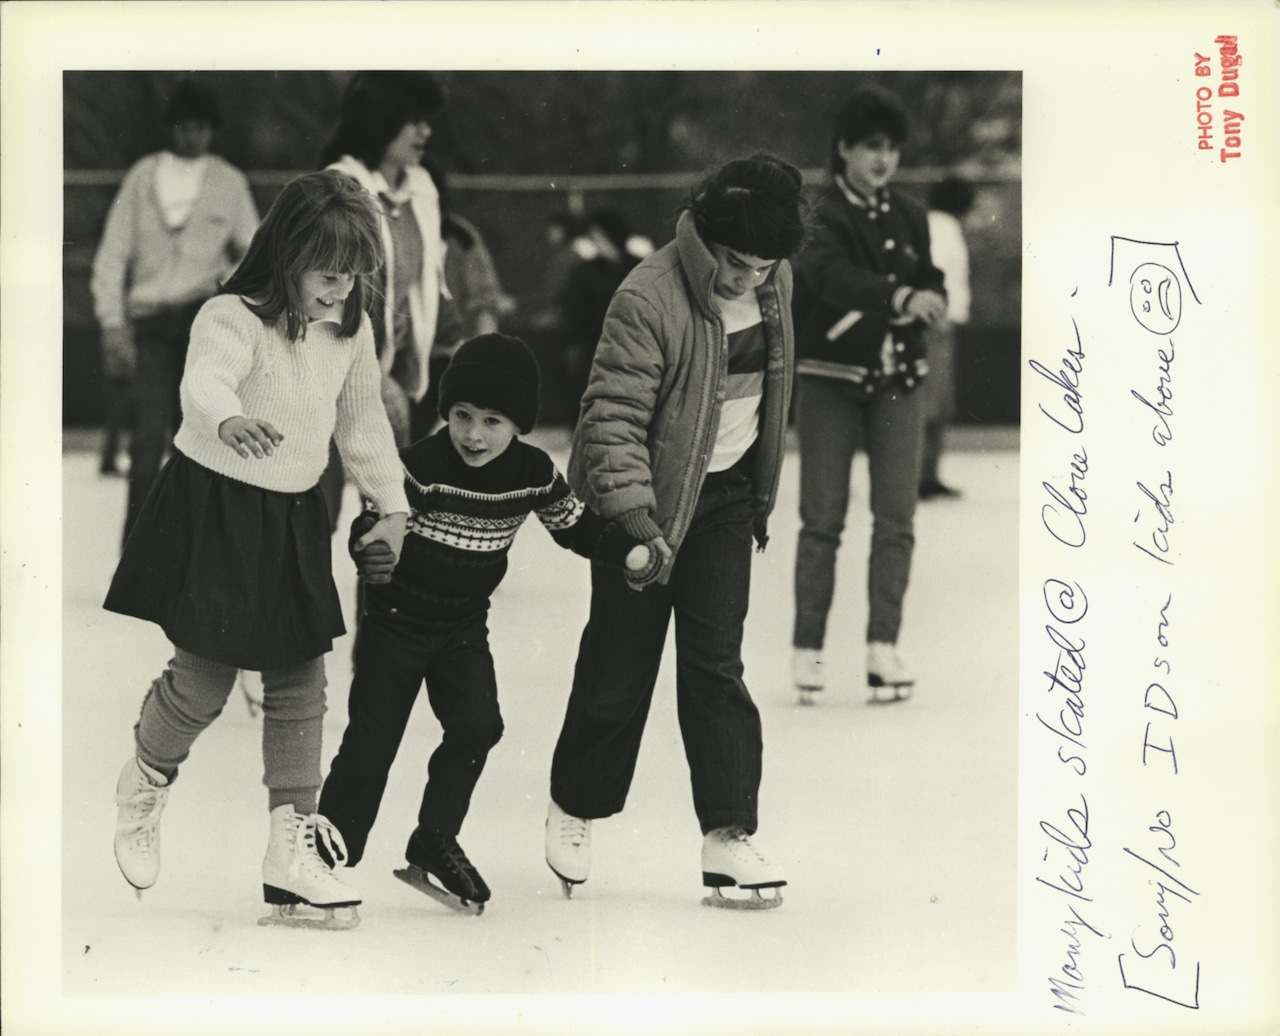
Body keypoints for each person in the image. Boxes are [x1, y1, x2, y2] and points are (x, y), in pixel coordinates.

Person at [104, 170, 410, 930]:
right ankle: (145, 777)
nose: (341, 292)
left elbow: (363, 421)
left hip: (295, 512)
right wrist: (229, 417)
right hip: (221, 505)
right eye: (329, 275)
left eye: (353, 278)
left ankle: (289, 847)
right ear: (286, 255)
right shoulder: (231, 315)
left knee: (301, 679)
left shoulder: (350, 328)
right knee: (204, 679)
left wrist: (393, 504)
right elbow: (204, 379)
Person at [543, 155, 807, 910]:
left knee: (716, 665)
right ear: (707, 239)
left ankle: (728, 834)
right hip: (644, 504)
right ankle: (576, 804)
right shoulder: (648, 296)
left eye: (760, 267)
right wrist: (633, 519)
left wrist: (757, 492)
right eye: (732, 262)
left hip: (724, 501)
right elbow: (611, 419)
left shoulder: (774, 283)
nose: (743, 280)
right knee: (621, 666)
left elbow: (770, 386)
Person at [317, 333, 653, 914]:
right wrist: (368, 550)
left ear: (518, 425)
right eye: (463, 416)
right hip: (396, 622)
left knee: (478, 726)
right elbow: (376, 521)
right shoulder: (420, 469)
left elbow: (574, 525)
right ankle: (326, 856)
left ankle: (435, 838)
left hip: (463, 628)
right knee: (372, 740)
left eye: (493, 421)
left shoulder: (534, 472)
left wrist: (626, 548)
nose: (474, 434)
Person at [789, 86, 947, 707]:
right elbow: (828, 276)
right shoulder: (819, 211)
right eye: (872, 147)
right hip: (830, 376)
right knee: (822, 519)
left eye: (893, 149)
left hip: (898, 378)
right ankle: (808, 649)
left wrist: (931, 293)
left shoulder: (907, 213)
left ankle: (883, 647)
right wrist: (900, 297)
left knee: (897, 519)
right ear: (844, 149)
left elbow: (925, 272)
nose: (884, 159)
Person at [90, 78, 259, 545]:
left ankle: (191, 550)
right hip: (149, 322)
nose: (192, 136)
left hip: (201, 325)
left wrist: (221, 282)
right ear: (171, 127)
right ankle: (137, 550)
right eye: (185, 126)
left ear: (213, 131)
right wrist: (111, 321)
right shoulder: (143, 176)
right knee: (147, 440)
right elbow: (112, 253)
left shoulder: (229, 182)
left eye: (202, 128)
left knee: (199, 435)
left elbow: (255, 250)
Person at [319, 71, 447, 448]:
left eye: (427, 122)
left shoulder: (420, 188)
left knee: (388, 492)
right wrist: (370, 372)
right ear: (380, 121)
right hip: (334, 361)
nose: (425, 132)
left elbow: (424, 283)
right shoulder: (339, 187)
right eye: (414, 121)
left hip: (395, 369)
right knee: (322, 487)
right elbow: (326, 296)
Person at [410, 160, 515, 441]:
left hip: (446, 355)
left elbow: (483, 299)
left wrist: (484, 358)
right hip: (403, 355)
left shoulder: (459, 236)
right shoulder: (392, 232)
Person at [919, 175, 976, 499]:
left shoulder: (940, 225)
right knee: (932, 402)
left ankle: (928, 475)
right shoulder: (942, 228)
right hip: (935, 324)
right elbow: (936, 272)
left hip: (941, 323)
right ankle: (921, 477)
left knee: (938, 402)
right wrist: (938, 315)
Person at [558, 209, 641, 421]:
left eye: (598, 235)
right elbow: (574, 311)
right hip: (594, 344)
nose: (595, 241)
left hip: (633, 342)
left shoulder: (638, 266)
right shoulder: (584, 272)